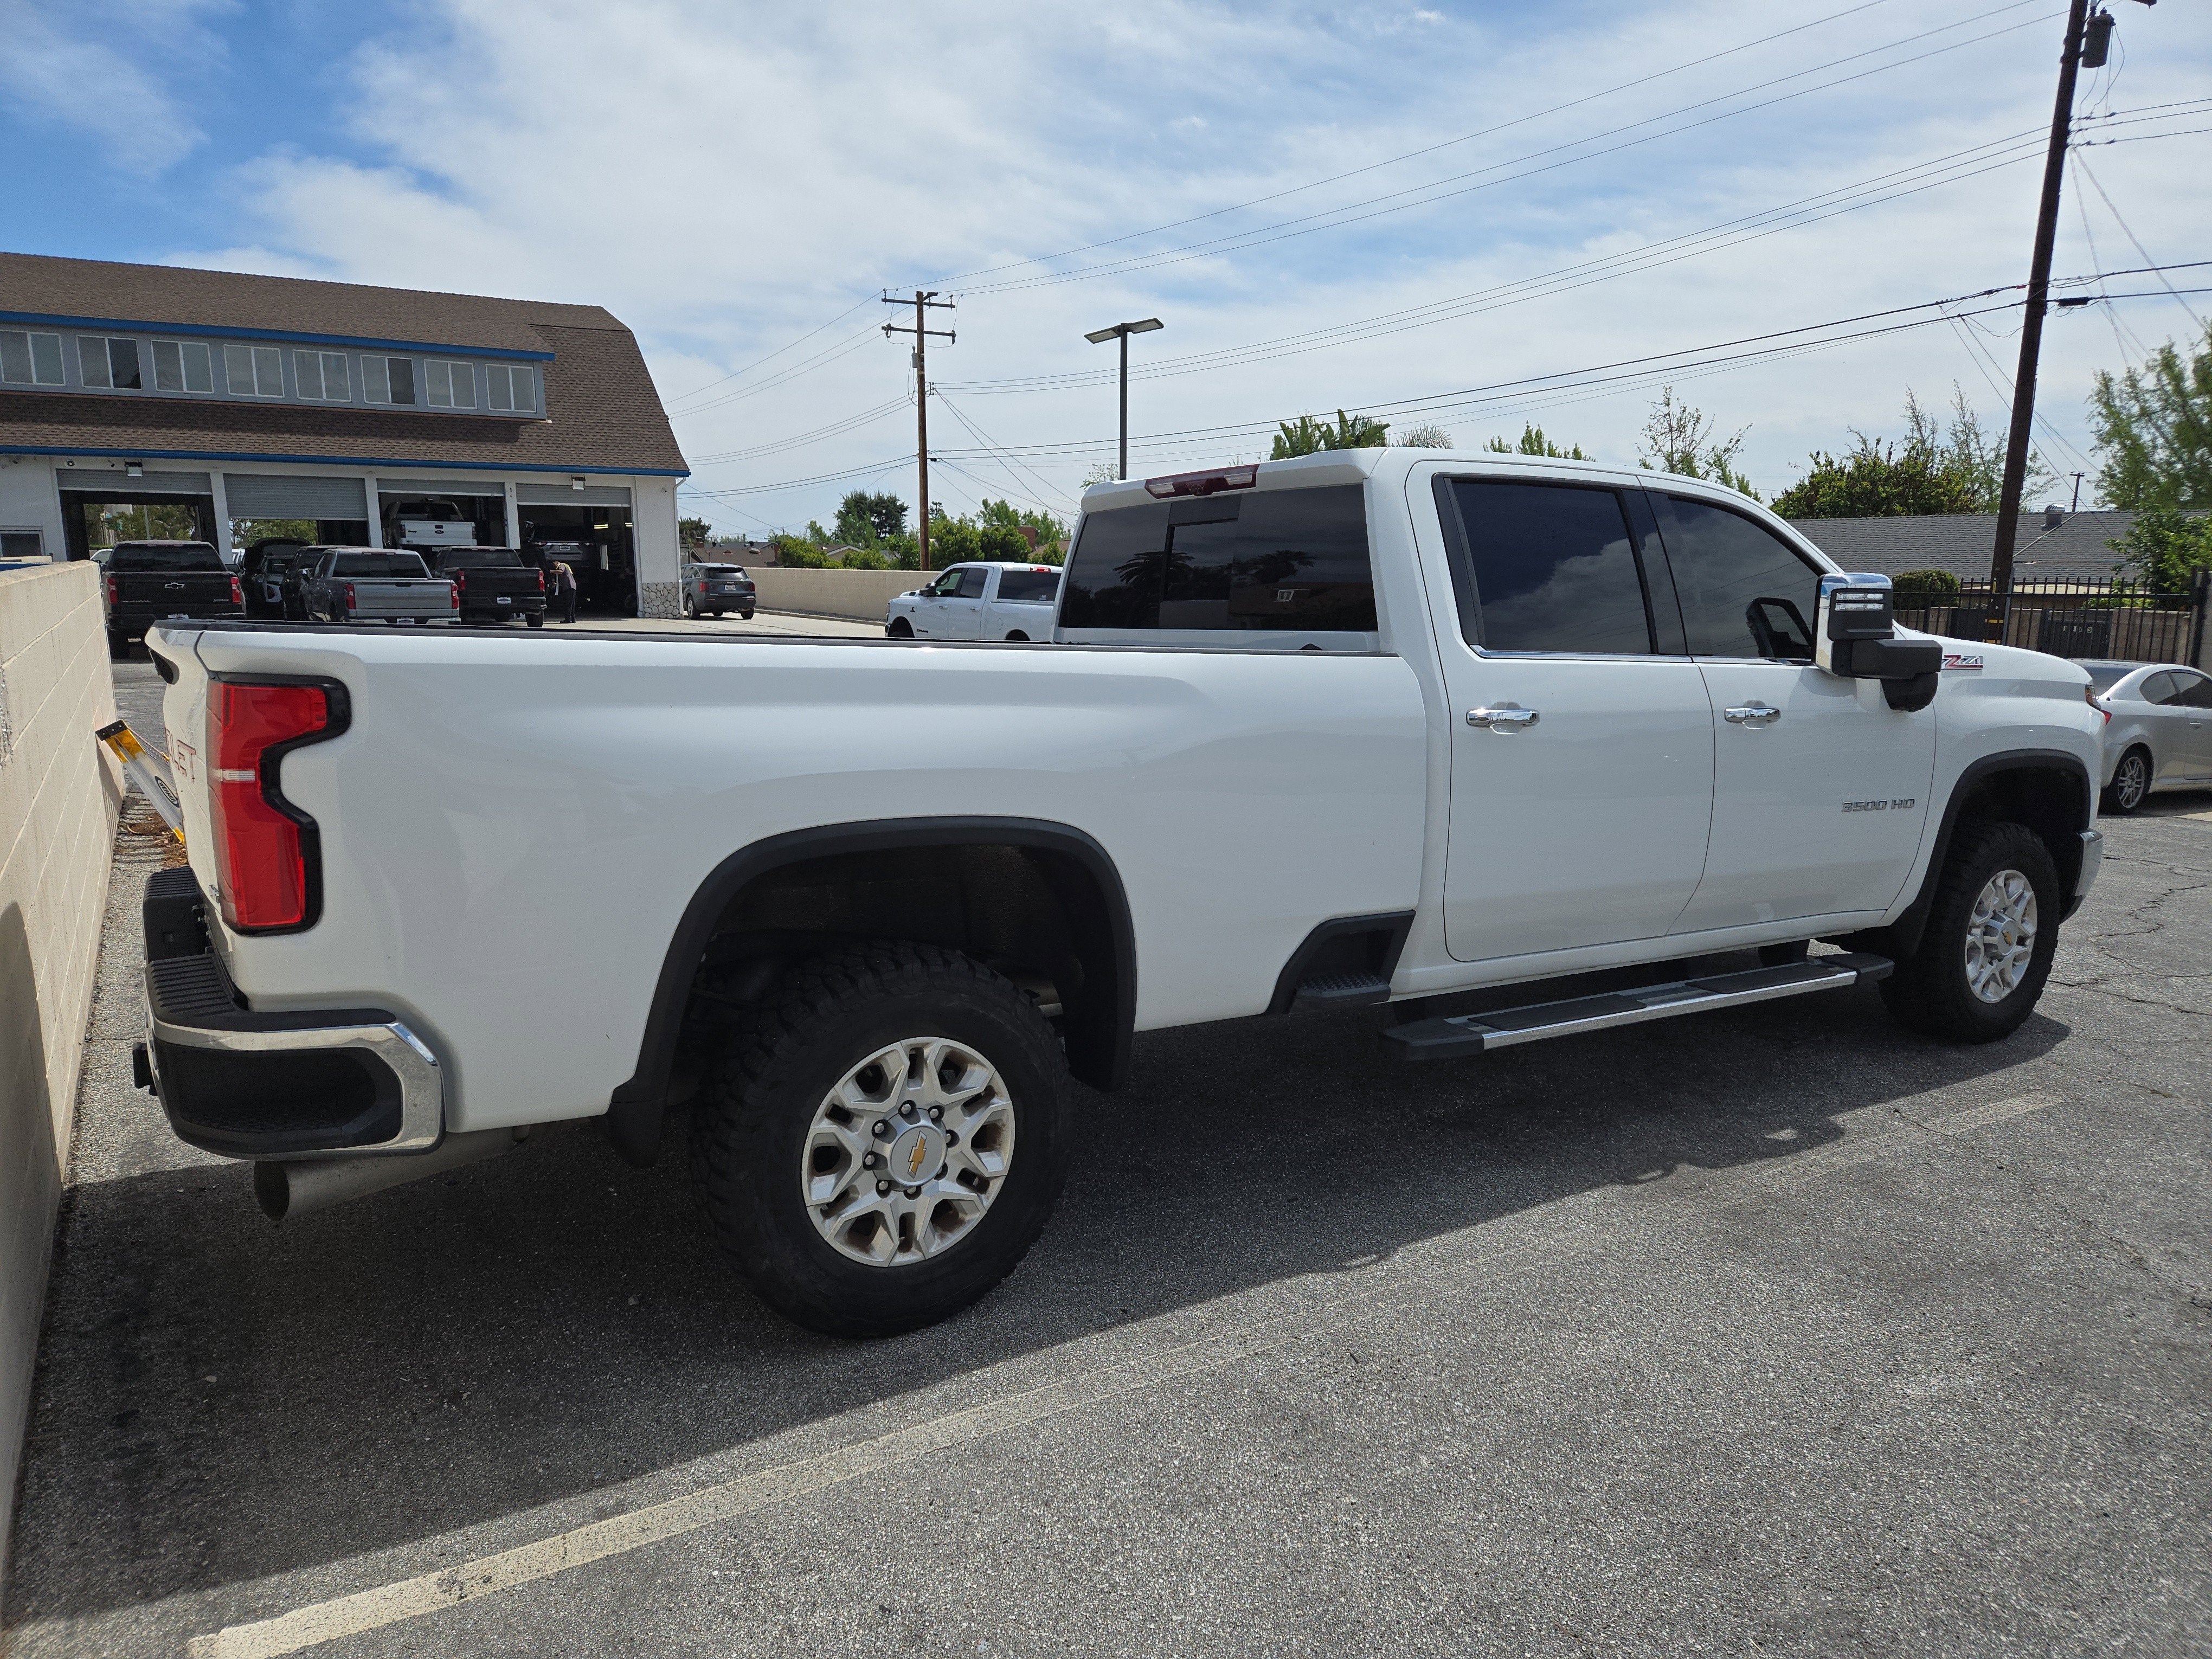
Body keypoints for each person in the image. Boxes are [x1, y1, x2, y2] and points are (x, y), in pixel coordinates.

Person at [551, 558, 578, 623]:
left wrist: (551, 572)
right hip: (573, 587)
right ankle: (573, 619)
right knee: (572, 604)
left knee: (568, 604)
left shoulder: (562, 565)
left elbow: (561, 571)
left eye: (555, 566)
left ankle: (568, 619)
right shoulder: (567, 568)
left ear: (557, 563)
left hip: (569, 587)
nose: (555, 567)